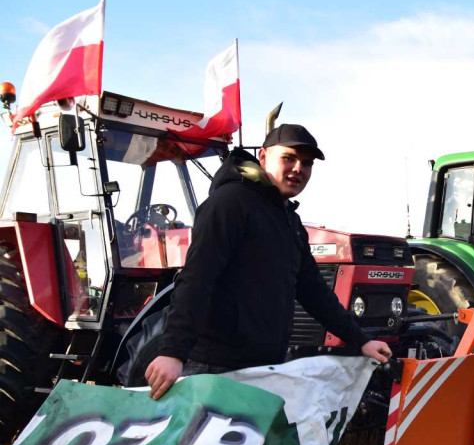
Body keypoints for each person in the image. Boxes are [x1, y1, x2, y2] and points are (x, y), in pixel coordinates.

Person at [145, 124, 392, 399]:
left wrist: (361, 340)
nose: (299, 168)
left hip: (263, 368)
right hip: (215, 368)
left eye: (307, 163)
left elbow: (314, 292)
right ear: (263, 157)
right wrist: (172, 353)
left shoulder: (290, 221)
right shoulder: (229, 204)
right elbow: (196, 279)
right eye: (289, 158)